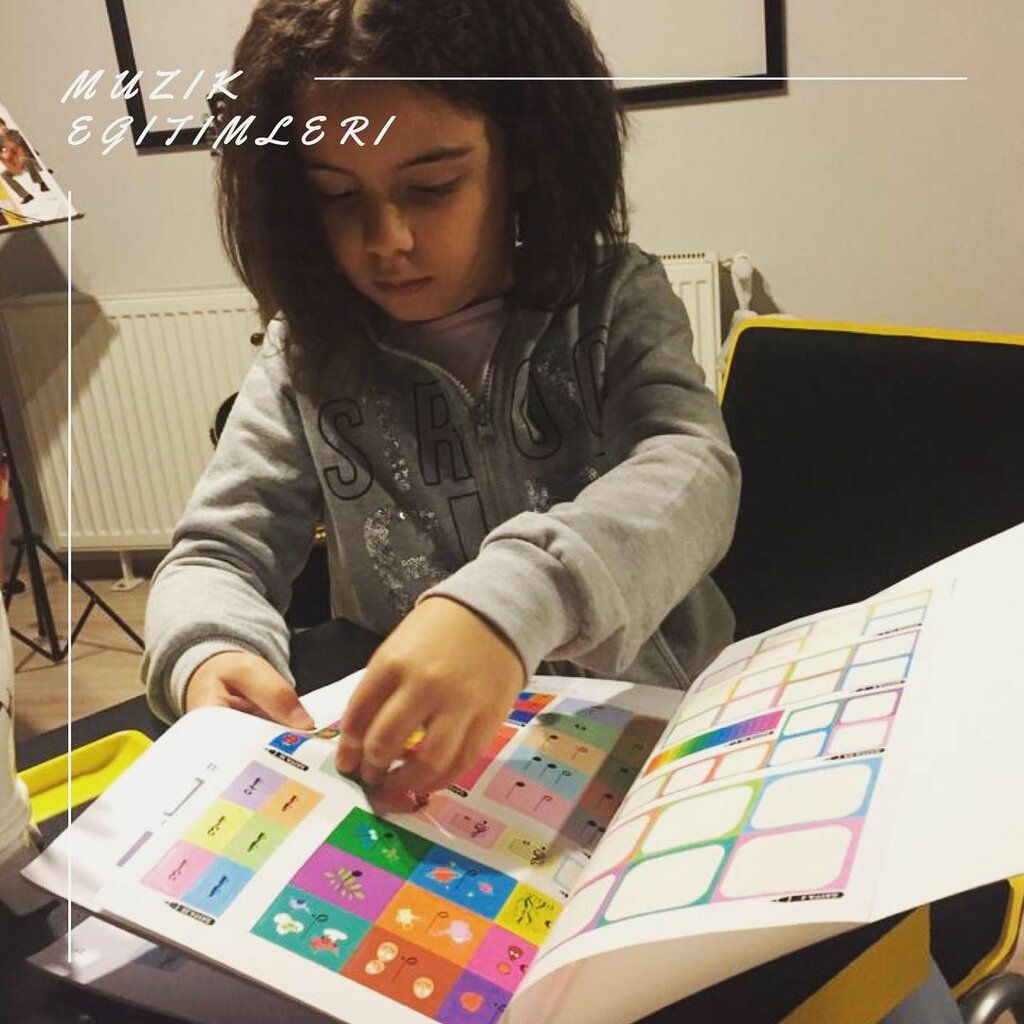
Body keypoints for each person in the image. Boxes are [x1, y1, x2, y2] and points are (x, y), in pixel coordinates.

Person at [143, 6, 963, 1018]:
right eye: (336, 196)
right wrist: (208, 653)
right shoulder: (303, 356)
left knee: (872, 983)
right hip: (438, 800)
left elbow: (690, 467)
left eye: (432, 186)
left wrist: (510, 602)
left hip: (674, 769)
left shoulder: (612, 301)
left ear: (524, 153)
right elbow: (216, 551)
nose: (387, 240)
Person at [0, 118, 49, 205]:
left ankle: (41, 183)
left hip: (29, 160)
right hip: (16, 164)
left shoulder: (15, 133)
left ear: (4, 124)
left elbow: (26, 147)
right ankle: (25, 195)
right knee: (4, 175)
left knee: (24, 159)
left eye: (1, 125)